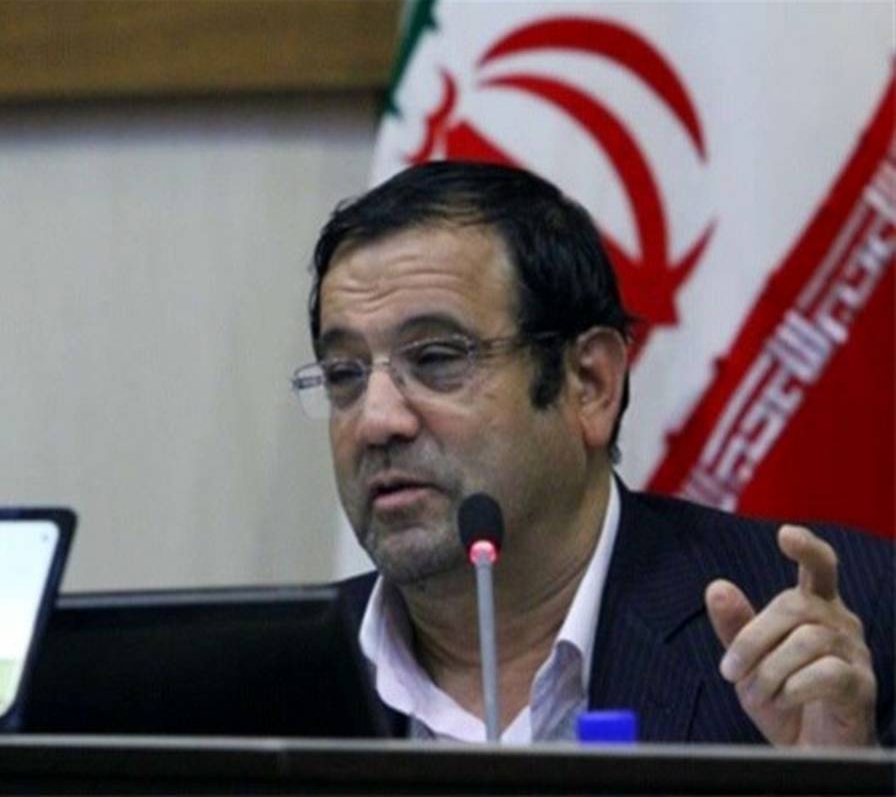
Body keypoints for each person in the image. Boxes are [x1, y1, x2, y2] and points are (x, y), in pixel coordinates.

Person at [293, 161, 893, 746]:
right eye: (344, 373)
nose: (375, 421)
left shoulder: (841, 633)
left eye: (436, 359)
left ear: (590, 384)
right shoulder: (279, 675)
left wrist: (837, 780)